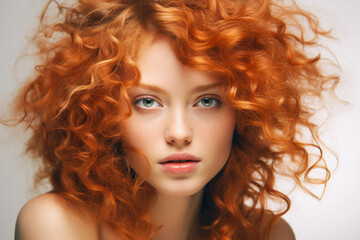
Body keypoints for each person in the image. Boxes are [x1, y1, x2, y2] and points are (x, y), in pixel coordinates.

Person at [9, 0, 339, 239]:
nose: (179, 133)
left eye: (207, 101)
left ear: (246, 111)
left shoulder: (270, 236)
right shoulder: (57, 225)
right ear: (101, 113)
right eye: (147, 102)